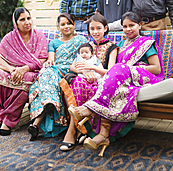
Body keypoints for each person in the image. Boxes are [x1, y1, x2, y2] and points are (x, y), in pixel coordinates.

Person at [68, 12, 164, 156]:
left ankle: (89, 109)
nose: (128, 29)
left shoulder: (146, 43)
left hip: (144, 76)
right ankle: (103, 134)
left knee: (116, 70)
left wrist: (133, 68)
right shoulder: (120, 45)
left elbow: (156, 68)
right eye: (125, 26)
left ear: (140, 25)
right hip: (124, 78)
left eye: (132, 25)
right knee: (111, 88)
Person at [0, 7, 48, 136]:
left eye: (28, 18)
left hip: (31, 71)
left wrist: (24, 69)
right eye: (22, 19)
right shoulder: (10, 38)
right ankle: (2, 115)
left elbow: (42, 59)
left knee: (26, 80)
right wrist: (12, 69)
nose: (27, 22)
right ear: (16, 23)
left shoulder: (39, 36)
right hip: (13, 71)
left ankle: (7, 121)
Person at [59, 14, 118, 151]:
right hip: (83, 78)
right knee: (77, 81)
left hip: (101, 82)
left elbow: (111, 72)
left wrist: (93, 68)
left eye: (99, 28)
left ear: (105, 28)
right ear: (88, 30)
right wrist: (84, 73)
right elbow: (73, 66)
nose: (95, 32)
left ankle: (73, 130)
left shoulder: (112, 47)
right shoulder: (86, 46)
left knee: (81, 83)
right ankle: (78, 130)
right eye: (92, 28)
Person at [27, 13, 87, 140]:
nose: (66, 26)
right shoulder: (53, 42)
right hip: (56, 70)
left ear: (74, 24)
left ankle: (36, 123)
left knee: (40, 83)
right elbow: (51, 59)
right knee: (45, 73)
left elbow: (86, 58)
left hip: (72, 70)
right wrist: (49, 63)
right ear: (58, 27)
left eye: (69, 23)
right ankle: (49, 104)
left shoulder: (81, 40)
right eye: (62, 24)